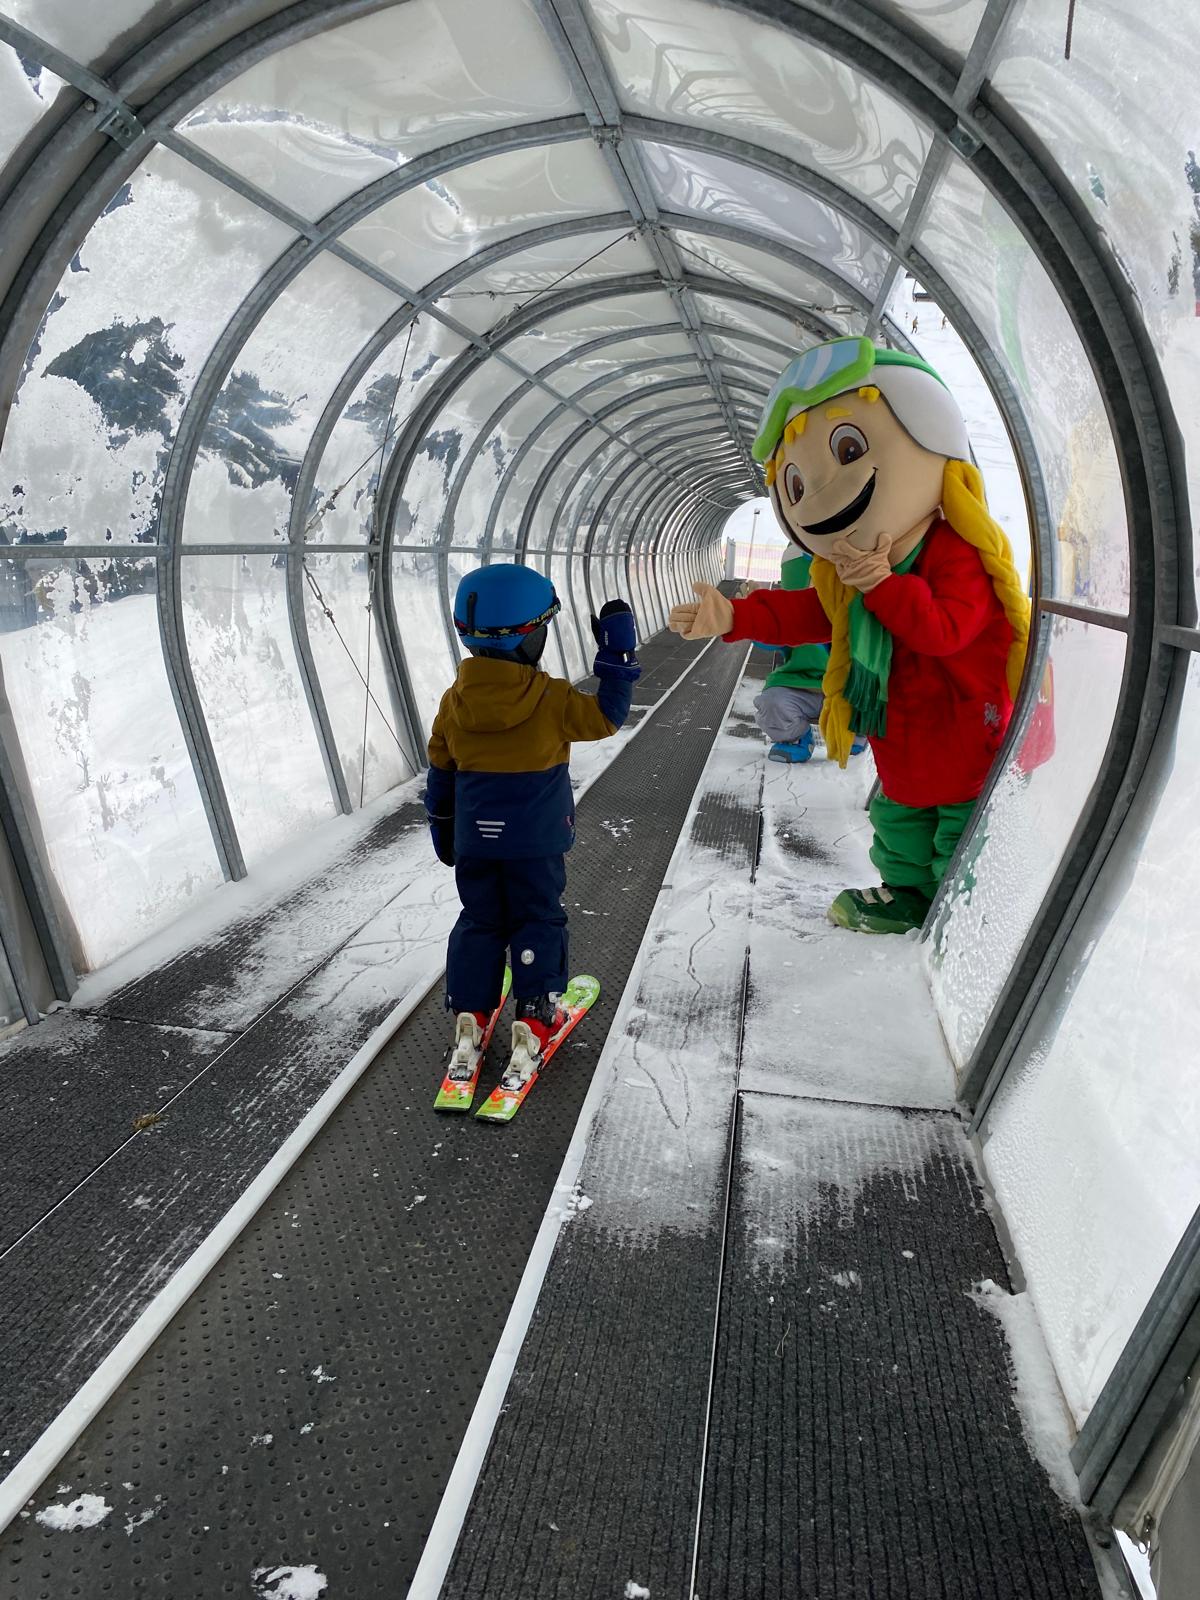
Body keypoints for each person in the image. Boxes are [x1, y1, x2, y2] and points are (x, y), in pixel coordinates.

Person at [670, 336, 1030, 935]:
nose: (817, 495)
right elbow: (814, 613)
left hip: (964, 725)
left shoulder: (957, 551)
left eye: (848, 449)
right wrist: (735, 616)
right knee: (900, 820)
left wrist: (883, 584)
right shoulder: (854, 577)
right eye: (795, 483)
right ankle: (908, 897)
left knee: (959, 827)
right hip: (902, 729)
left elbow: (945, 631)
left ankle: (964, 919)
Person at [424, 563, 640, 1079]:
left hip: (475, 841)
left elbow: (441, 772)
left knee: (479, 919)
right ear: (529, 636)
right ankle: (535, 1015)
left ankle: (471, 1017)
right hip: (536, 844)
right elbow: (608, 716)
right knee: (537, 918)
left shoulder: (454, 702)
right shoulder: (552, 697)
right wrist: (617, 656)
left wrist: (443, 827)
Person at [753, 545, 866, 763]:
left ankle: (855, 734)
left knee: (872, 695)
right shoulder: (791, 618)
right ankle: (795, 738)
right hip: (800, 686)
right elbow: (770, 637)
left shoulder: (856, 613)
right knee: (773, 703)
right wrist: (756, 619)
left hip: (847, 688)